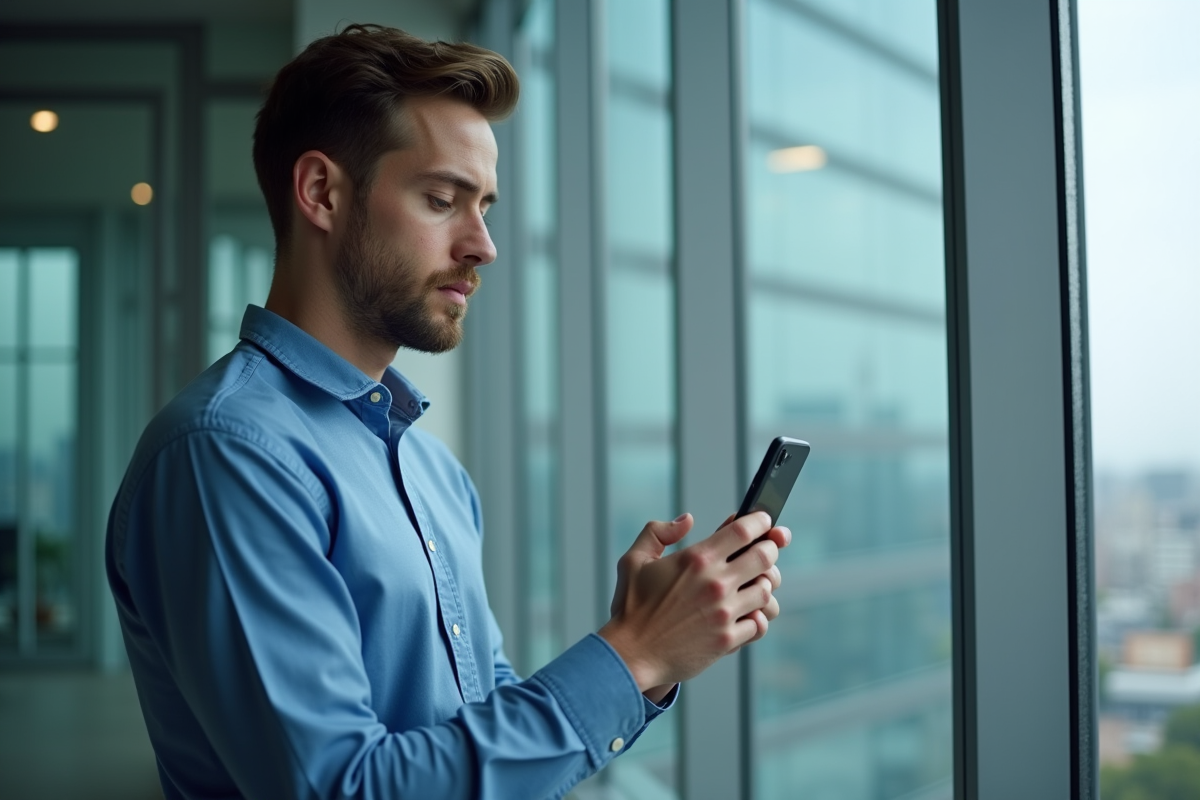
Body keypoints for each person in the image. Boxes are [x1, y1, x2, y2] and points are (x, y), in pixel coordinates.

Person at [105, 24, 789, 800]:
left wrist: (648, 653)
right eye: (442, 200)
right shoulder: (225, 455)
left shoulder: (432, 472)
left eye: (485, 206)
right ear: (322, 193)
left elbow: (478, 732)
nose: (484, 245)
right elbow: (342, 787)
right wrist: (633, 656)